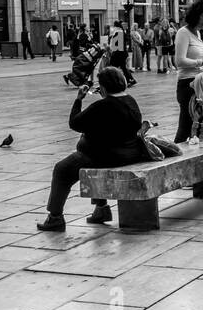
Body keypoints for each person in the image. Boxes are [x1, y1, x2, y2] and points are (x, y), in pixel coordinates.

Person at [36, 68, 144, 232]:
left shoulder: (103, 105)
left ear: (104, 88)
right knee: (94, 163)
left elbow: (74, 123)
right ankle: (101, 210)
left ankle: (55, 217)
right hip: (130, 153)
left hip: (107, 155)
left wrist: (79, 99)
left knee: (62, 169)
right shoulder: (131, 101)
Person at [174, 0, 203, 143]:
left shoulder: (198, 34)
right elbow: (179, 61)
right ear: (195, 14)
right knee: (186, 128)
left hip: (200, 85)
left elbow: (195, 62)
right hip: (187, 85)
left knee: (197, 129)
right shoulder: (183, 32)